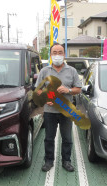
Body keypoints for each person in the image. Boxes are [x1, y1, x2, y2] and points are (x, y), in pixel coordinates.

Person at [35, 43, 82, 172]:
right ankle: (49, 161)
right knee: (49, 138)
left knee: (67, 138)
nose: (57, 55)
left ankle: (66, 161)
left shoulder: (71, 71)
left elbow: (78, 89)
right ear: (50, 55)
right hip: (50, 111)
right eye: (54, 52)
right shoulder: (45, 71)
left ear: (64, 54)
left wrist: (67, 90)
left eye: (60, 52)